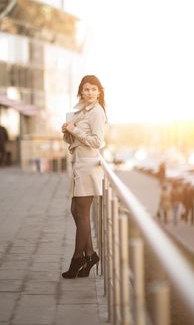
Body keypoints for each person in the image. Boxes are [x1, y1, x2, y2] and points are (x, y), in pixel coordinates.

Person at [61, 75, 107, 279]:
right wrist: (67, 131)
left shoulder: (97, 112)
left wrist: (75, 130)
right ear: (81, 91)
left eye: (93, 89)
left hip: (88, 166)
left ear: (99, 91)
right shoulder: (81, 109)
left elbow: (97, 142)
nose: (89, 93)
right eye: (86, 89)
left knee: (82, 213)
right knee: (75, 210)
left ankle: (77, 258)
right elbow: (74, 136)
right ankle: (90, 254)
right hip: (79, 165)